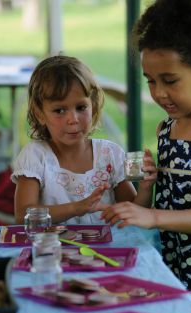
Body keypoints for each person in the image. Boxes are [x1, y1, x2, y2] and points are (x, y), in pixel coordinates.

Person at [101, 0, 191, 313]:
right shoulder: (167, 128)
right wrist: (148, 187)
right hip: (168, 270)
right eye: (150, 80)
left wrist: (154, 218)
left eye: (170, 80)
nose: (159, 93)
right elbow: (165, 200)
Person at [11, 55, 156, 225]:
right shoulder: (35, 156)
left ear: (92, 106)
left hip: (106, 250)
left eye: (81, 107)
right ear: (40, 114)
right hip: (53, 249)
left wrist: (146, 188)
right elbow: (22, 215)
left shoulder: (109, 154)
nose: (73, 119)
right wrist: (77, 208)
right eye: (59, 110)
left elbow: (132, 213)